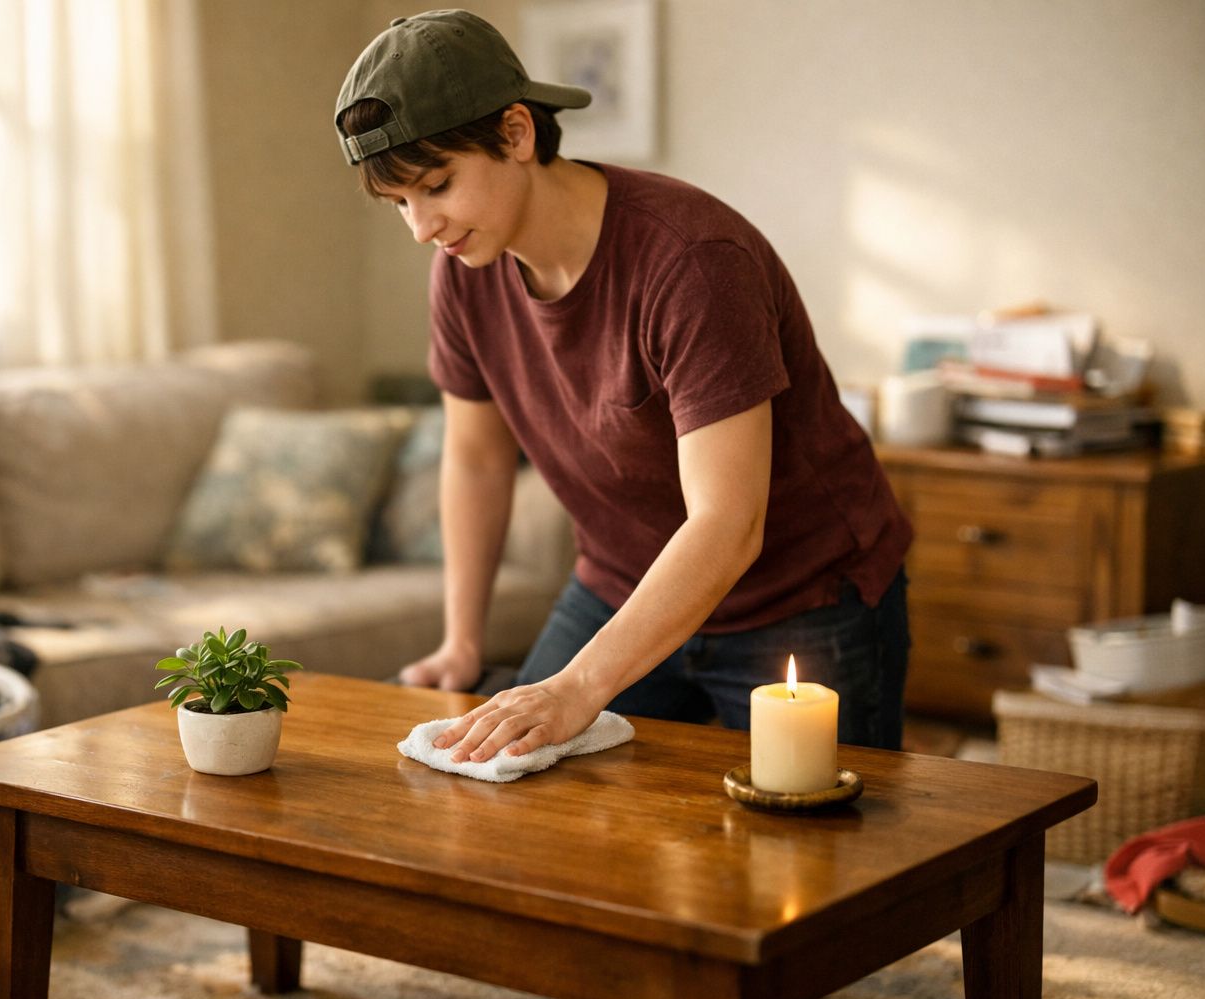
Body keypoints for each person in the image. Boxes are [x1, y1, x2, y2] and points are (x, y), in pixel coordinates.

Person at [334, 10, 912, 770]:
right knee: (509, 786)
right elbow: (476, 459)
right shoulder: (464, 272)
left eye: (437, 185)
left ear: (517, 133)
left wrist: (576, 688)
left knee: (812, 838)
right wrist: (461, 642)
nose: (421, 228)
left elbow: (729, 522)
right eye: (400, 203)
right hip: (619, 584)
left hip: (800, 596)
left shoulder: (692, 262)